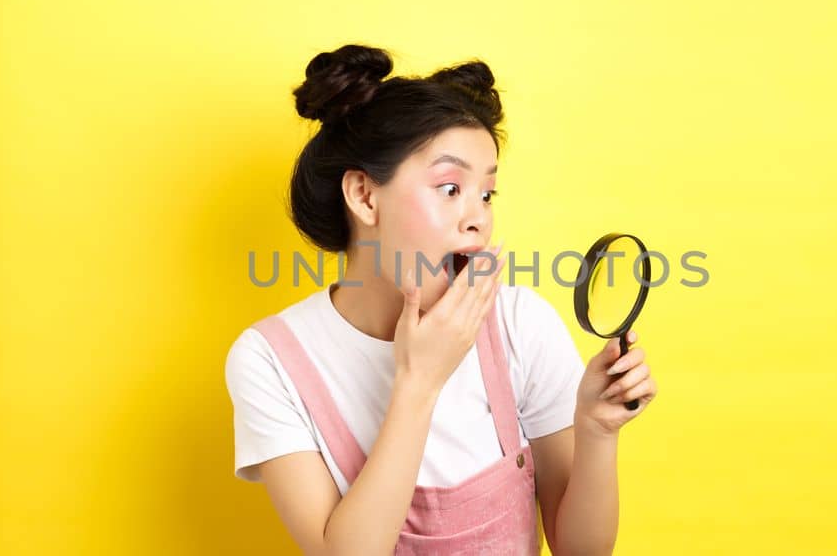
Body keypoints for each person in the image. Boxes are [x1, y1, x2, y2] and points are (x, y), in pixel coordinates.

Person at [224, 44, 658, 555]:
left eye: (487, 193)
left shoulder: (521, 324)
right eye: (450, 187)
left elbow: (581, 552)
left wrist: (598, 433)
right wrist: (419, 380)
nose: (478, 216)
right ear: (365, 197)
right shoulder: (270, 360)